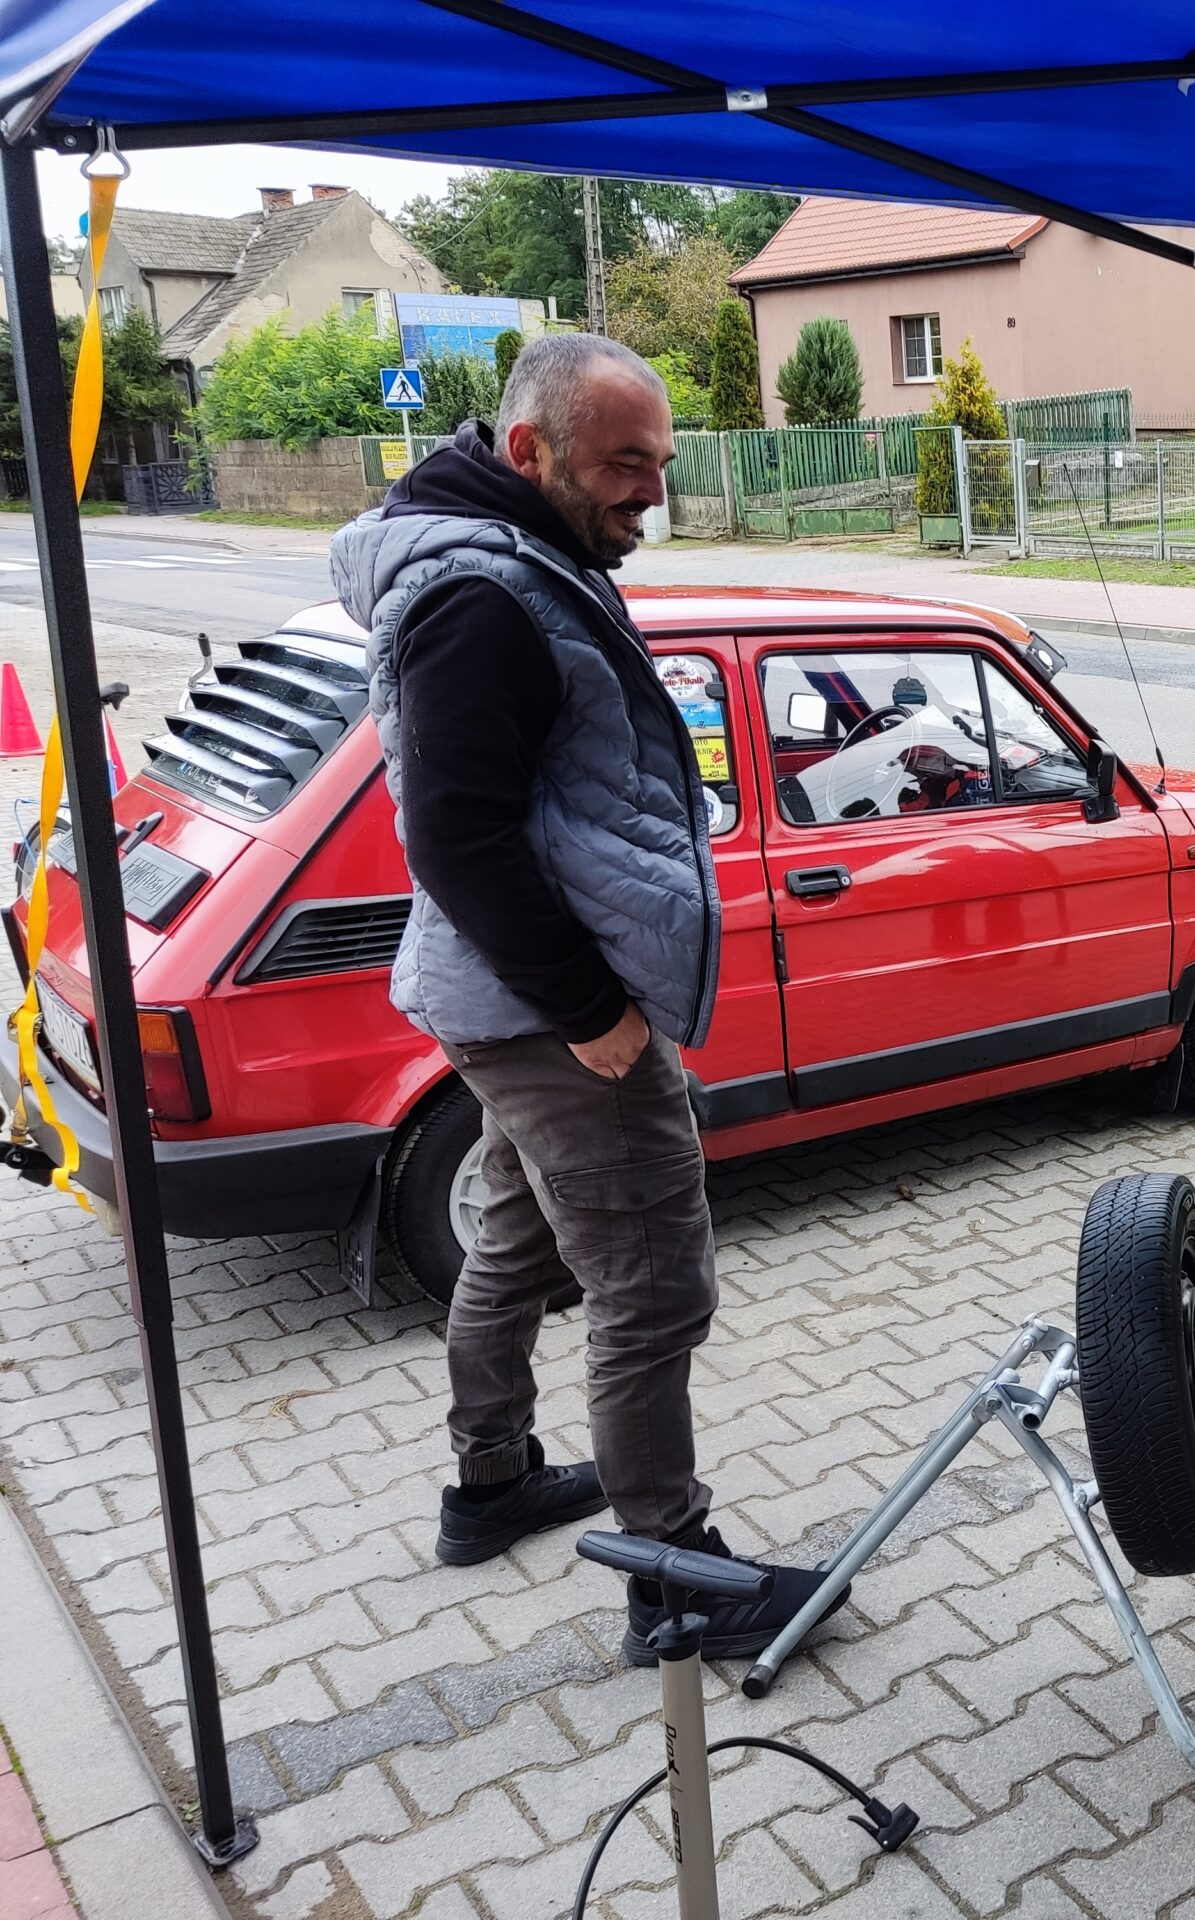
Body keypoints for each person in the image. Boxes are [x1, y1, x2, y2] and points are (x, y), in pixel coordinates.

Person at [332, 333, 842, 1665]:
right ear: (528, 450)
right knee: (654, 1286)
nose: (651, 494)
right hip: (551, 1014)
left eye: (658, 464)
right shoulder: (482, 596)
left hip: (501, 1003)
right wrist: (590, 1012)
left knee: (515, 1243)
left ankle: (491, 1481)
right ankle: (675, 1576)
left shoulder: (516, 558)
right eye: (624, 464)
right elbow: (455, 834)